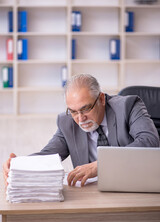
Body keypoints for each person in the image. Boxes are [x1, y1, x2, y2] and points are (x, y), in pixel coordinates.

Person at [3, 74, 160, 187]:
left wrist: (100, 165)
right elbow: (48, 155)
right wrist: (18, 165)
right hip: (93, 195)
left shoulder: (128, 106)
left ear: (101, 99)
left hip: (134, 187)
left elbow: (150, 141)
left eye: (85, 109)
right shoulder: (67, 122)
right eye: (73, 111)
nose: (80, 118)